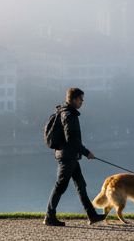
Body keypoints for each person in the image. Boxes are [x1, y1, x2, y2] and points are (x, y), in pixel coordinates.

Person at [45, 87, 105, 226]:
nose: (82, 102)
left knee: (80, 185)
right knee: (60, 186)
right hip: (67, 157)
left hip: (68, 155)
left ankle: (92, 215)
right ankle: (49, 217)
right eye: (80, 99)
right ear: (73, 99)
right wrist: (87, 152)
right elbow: (71, 139)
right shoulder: (69, 115)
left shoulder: (63, 112)